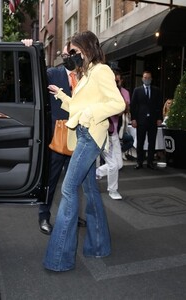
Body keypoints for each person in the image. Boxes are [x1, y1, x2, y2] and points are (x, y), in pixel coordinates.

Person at [44, 30, 126, 271]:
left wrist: (91, 114)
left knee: (68, 190)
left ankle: (59, 259)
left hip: (90, 136)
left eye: (75, 52)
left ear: (88, 49)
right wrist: (61, 96)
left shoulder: (101, 70)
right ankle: (99, 246)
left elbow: (118, 103)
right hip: (82, 133)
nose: (72, 56)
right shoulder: (86, 74)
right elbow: (79, 108)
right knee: (89, 190)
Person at [22, 39, 87, 234]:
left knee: (73, 182)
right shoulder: (53, 74)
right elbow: (29, 79)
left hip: (80, 137)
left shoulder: (85, 78)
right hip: (57, 137)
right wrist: (28, 50)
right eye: (67, 55)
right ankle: (43, 216)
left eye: (74, 54)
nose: (70, 58)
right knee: (51, 181)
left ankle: (71, 215)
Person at [95, 69, 129, 200]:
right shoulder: (102, 92)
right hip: (102, 133)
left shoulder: (122, 93)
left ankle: (97, 172)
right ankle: (113, 190)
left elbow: (121, 111)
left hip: (113, 132)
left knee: (119, 164)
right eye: (114, 80)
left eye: (118, 80)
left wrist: (120, 107)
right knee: (113, 165)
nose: (116, 82)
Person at [130, 70, 163, 169]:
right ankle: (139, 162)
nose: (147, 79)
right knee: (140, 142)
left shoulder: (157, 90)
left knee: (152, 142)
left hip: (153, 120)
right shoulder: (137, 90)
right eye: (145, 77)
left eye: (148, 78)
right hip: (141, 121)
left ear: (151, 79)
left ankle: (150, 162)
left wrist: (159, 118)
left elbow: (159, 105)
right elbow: (133, 106)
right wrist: (133, 119)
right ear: (142, 79)